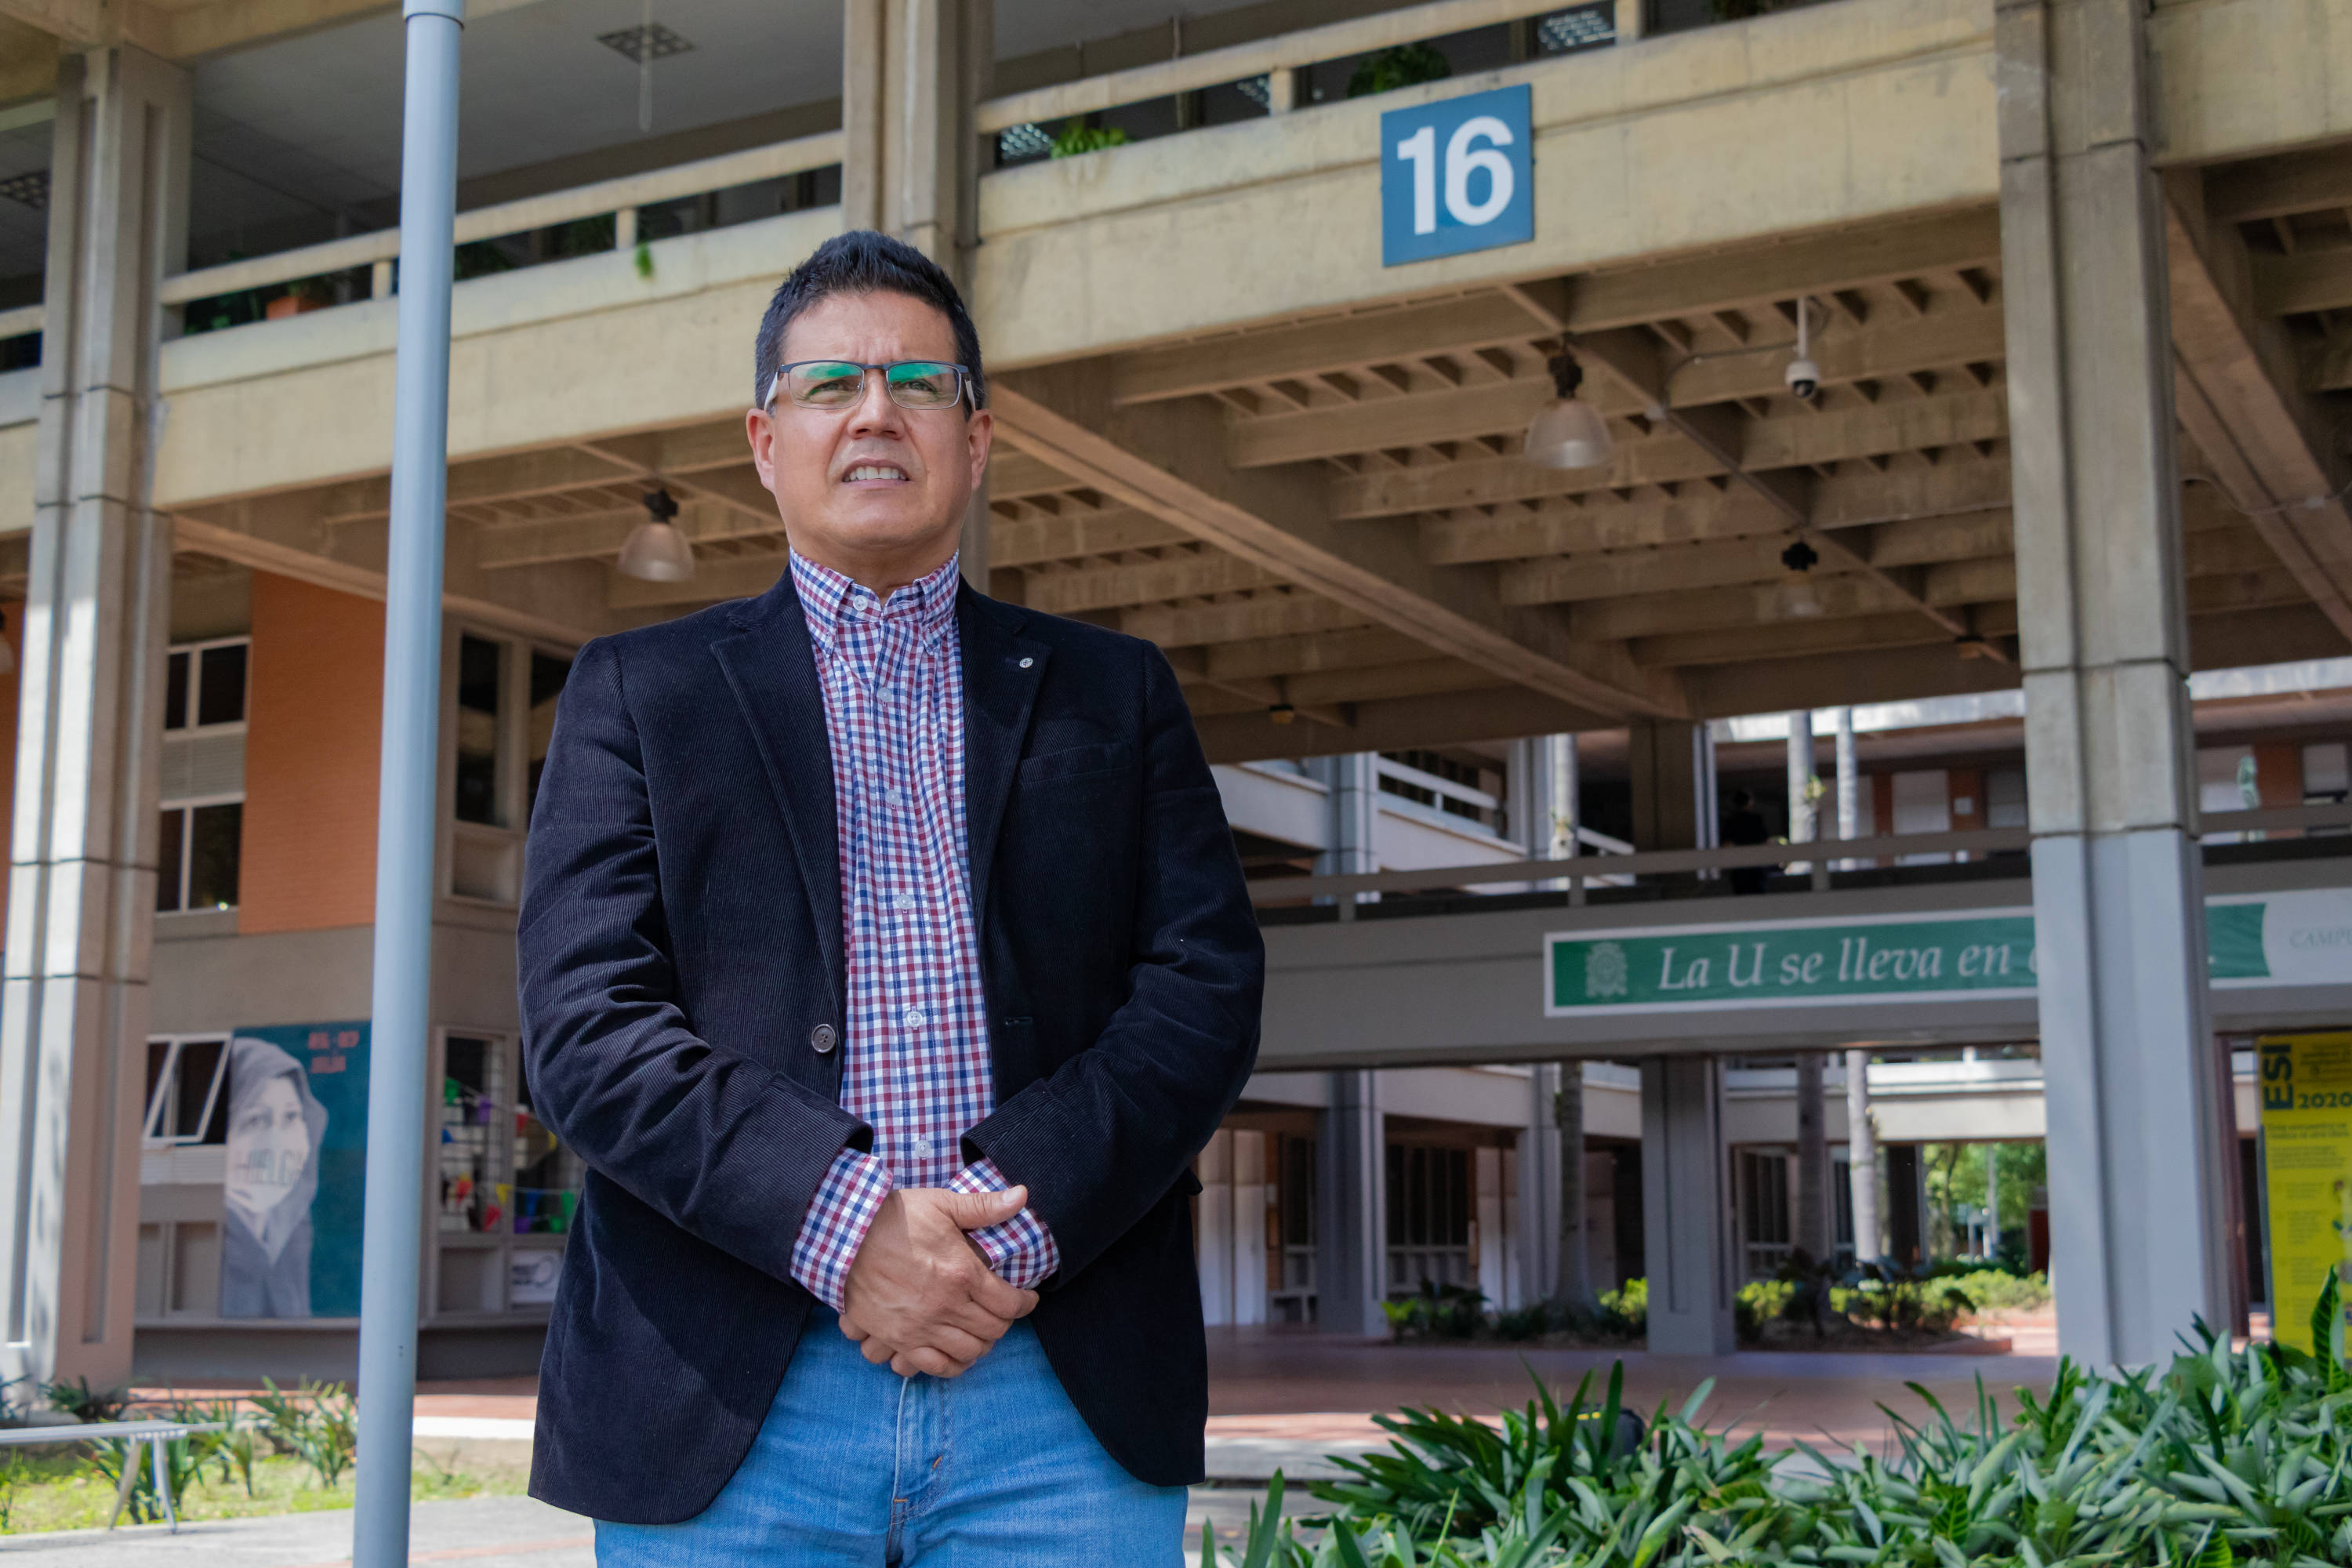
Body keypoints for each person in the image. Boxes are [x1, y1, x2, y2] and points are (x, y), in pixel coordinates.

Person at [517, 230, 1265, 1565]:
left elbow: (1203, 991)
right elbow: (585, 1028)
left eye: (919, 383)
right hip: (727, 1398)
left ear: (976, 441)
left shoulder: (1114, 690)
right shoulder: (639, 694)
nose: (875, 412)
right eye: (830, 386)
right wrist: (848, 1227)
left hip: (1057, 1395)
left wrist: (1002, 1233)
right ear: (766, 442)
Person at [219, 1034, 326, 1318]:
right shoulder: (208, 1238)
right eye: (256, 1121)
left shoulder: (292, 1229)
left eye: (291, 1118)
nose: (277, 1145)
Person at [1722, 788, 1771, 895]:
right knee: (1759, 896)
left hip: (1739, 867)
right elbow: (1765, 841)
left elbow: (1726, 844)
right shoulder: (1756, 819)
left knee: (1741, 896)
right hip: (1757, 865)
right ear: (1750, 802)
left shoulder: (1730, 821)